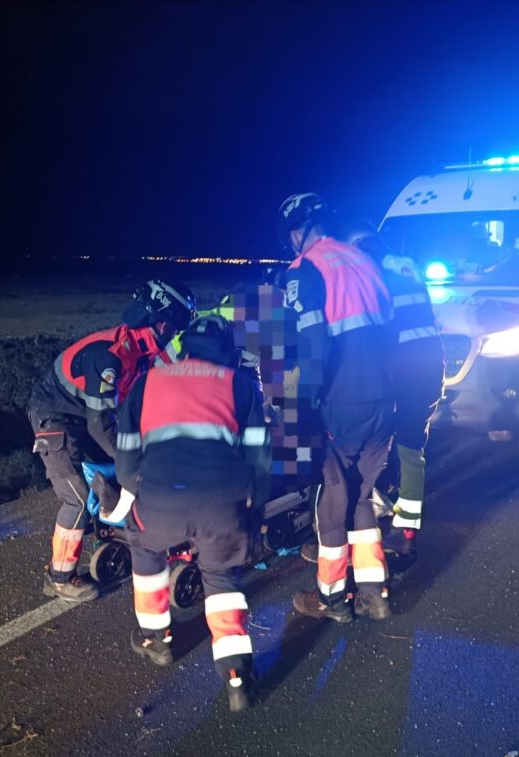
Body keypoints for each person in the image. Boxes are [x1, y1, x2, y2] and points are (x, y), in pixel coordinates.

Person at [114, 314, 270, 713]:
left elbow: (127, 452)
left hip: (160, 500)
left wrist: (137, 489)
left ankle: (157, 639)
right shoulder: (241, 385)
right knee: (221, 579)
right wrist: (254, 509)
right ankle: (236, 677)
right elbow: (259, 457)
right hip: (223, 505)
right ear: (228, 353)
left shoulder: (147, 382)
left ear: (185, 348)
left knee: (146, 551)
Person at [27, 279, 196, 602]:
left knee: (116, 467)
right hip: (55, 415)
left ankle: (112, 508)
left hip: (84, 417)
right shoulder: (109, 356)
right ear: (159, 320)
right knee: (76, 495)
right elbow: (100, 423)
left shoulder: (142, 354)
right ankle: (59, 578)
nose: (173, 332)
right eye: (172, 325)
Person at [277, 192, 395, 623]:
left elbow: (310, 343)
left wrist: (302, 406)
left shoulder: (305, 269)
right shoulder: (363, 260)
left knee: (333, 498)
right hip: (384, 399)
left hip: (340, 402)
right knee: (363, 497)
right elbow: (390, 328)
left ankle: (332, 599)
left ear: (299, 231)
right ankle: (374, 594)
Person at [343, 221, 445, 556]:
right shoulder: (406, 264)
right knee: (412, 446)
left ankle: (382, 521)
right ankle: (405, 528)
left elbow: (373, 329)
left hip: (401, 370)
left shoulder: (370, 273)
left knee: (374, 440)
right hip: (431, 366)